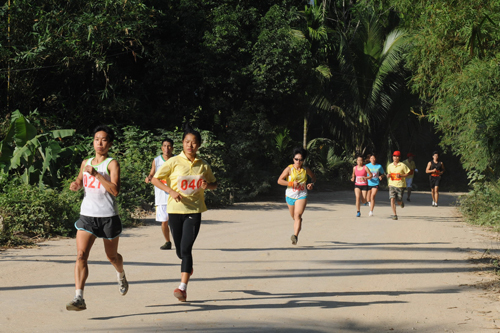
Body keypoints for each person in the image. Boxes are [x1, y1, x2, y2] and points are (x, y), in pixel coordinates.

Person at [151, 124, 217, 302]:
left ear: (199, 145)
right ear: (182, 143)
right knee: (180, 251)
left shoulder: (203, 165)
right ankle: (187, 266)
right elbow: (155, 180)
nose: (190, 146)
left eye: (194, 143)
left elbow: (214, 183)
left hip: (194, 211)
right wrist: (170, 191)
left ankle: (182, 288)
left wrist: (207, 186)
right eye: (187, 142)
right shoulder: (173, 162)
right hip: (174, 210)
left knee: (186, 248)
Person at [66, 125, 128, 311]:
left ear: (109, 144)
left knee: (112, 256)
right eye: (96, 139)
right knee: (81, 255)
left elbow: (115, 190)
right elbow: (80, 179)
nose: (99, 143)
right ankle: (79, 297)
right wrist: (76, 184)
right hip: (87, 216)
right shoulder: (86, 162)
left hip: (108, 217)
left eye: (103, 140)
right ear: (93, 141)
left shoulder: (111, 164)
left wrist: (97, 175)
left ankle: (121, 273)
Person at [277, 147, 316, 245]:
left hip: (302, 195)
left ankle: (295, 236)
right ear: (293, 159)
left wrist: (311, 184)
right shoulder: (289, 169)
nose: (298, 161)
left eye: (301, 159)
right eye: (296, 159)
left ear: (303, 160)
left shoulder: (306, 170)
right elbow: (279, 180)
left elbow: (313, 177)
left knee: (297, 215)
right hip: (290, 195)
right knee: (294, 217)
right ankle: (298, 223)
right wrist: (290, 184)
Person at [145, 138, 174, 250]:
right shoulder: (157, 161)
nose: (167, 148)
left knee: (176, 221)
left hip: (174, 195)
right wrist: (148, 178)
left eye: (169, 146)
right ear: (162, 148)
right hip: (161, 195)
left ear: (172, 147)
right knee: (164, 221)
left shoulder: (177, 159)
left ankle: (180, 241)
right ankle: (167, 241)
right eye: (164, 146)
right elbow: (152, 174)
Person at [386, 151, 411, 220]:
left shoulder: (402, 165)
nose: (395, 157)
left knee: (398, 201)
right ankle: (395, 214)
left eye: (397, 156)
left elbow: (408, 173)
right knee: (392, 199)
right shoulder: (390, 166)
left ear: (399, 158)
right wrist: (388, 175)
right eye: (394, 156)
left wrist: (401, 175)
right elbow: (389, 174)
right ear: (392, 157)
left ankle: (401, 203)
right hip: (392, 184)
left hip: (400, 185)